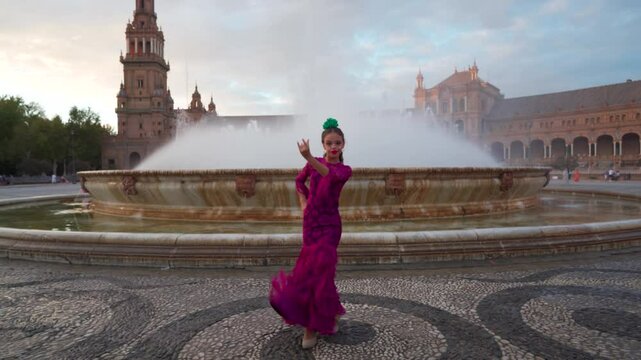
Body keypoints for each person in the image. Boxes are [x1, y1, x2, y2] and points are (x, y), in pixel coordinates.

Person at [269, 117, 352, 349]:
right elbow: (298, 181)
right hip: (311, 224)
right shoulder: (312, 163)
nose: (333, 147)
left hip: (330, 226)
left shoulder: (345, 170)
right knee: (314, 272)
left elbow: (329, 176)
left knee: (321, 271)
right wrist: (304, 202)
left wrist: (307, 158)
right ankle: (331, 311)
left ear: (343, 145)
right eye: (329, 143)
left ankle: (310, 326)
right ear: (323, 145)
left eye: (337, 143)